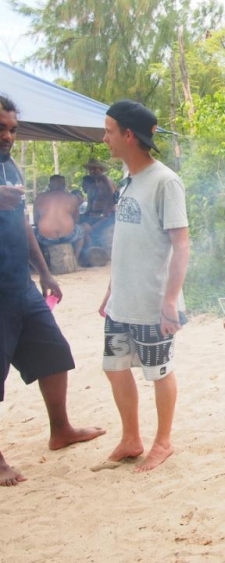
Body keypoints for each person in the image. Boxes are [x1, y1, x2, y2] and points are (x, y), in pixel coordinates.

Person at [0, 95, 105, 487]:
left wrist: (44, 272)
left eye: (12, 128)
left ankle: (60, 430)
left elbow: (23, 225)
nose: (8, 135)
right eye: (1, 128)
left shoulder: (9, 167)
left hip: (18, 283)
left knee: (54, 353)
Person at [97, 99, 189, 473]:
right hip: (123, 299)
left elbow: (181, 244)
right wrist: (110, 288)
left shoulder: (165, 181)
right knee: (115, 367)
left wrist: (170, 301)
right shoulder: (128, 179)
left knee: (158, 371)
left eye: (108, 131)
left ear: (128, 135)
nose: (105, 138)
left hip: (153, 301)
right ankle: (131, 438)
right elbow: (127, 240)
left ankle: (163, 442)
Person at [33, 174, 85, 259]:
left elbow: (36, 222)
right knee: (81, 230)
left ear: (49, 186)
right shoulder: (72, 197)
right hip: (68, 236)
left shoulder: (39, 197)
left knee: (32, 234)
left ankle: (41, 261)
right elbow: (76, 220)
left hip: (45, 238)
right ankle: (75, 259)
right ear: (64, 185)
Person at [79, 158, 116, 265]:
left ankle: (99, 255)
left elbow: (114, 197)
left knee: (92, 230)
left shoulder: (106, 180)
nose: (92, 171)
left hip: (108, 215)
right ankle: (92, 254)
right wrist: (85, 214)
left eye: (94, 169)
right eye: (90, 169)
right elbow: (90, 201)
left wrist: (107, 211)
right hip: (95, 214)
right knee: (84, 227)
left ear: (100, 169)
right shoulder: (93, 184)